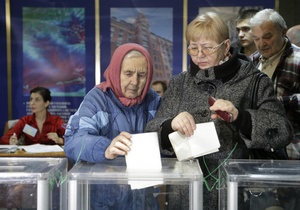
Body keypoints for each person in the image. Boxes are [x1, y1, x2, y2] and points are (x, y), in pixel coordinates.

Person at [145, 12, 293, 210]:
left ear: (225, 46)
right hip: (186, 196)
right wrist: (170, 124)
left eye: (207, 48)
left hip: (237, 194)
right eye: (193, 48)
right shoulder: (180, 83)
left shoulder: (254, 81)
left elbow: (283, 131)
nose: (199, 55)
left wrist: (240, 117)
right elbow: (151, 132)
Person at [64, 43, 161, 209]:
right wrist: (106, 148)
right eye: (128, 73)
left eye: (142, 75)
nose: (135, 81)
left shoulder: (153, 100)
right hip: (105, 201)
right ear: (116, 71)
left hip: (144, 201)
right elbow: (73, 141)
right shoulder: (98, 98)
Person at [250, 9, 300, 160]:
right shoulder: (251, 62)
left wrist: (277, 103)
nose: (261, 44)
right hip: (259, 149)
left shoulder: (298, 60)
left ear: (283, 31)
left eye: (267, 36)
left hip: (292, 149)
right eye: (256, 38)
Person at [0, 86, 65, 145]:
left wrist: (60, 140)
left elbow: (72, 139)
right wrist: (10, 141)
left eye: (37, 100)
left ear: (46, 103)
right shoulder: (25, 121)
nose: (32, 103)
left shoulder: (56, 121)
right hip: (31, 157)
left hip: (51, 157)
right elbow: (4, 139)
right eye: (31, 99)